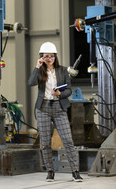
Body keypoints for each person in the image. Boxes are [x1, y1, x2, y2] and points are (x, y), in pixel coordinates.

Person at [28, 42, 83, 182]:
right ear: (42, 57)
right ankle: (50, 171)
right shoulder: (39, 71)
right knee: (45, 142)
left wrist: (60, 94)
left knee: (68, 140)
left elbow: (69, 90)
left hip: (59, 107)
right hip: (43, 108)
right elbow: (31, 83)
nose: (49, 59)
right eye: (46, 56)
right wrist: (37, 66)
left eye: (52, 56)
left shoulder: (63, 71)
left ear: (55, 57)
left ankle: (75, 171)